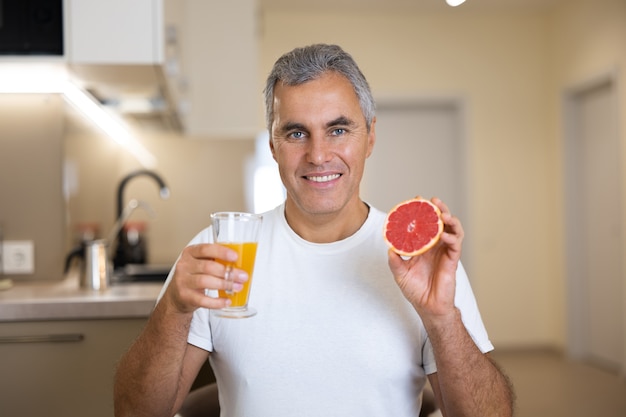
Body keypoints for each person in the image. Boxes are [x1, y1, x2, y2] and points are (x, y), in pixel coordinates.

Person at [114, 43, 515, 417]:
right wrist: (172, 311)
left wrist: (441, 318)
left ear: (370, 136)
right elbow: (135, 412)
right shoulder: (221, 253)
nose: (319, 155)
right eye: (296, 133)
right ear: (273, 145)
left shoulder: (421, 260)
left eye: (338, 130)